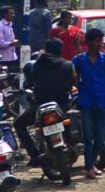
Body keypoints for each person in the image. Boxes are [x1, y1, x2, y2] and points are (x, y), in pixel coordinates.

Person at [27, 36, 76, 169]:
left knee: (18, 124)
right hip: (62, 106)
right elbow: (73, 83)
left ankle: (34, 154)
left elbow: (31, 81)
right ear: (60, 50)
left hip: (40, 106)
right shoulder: (68, 65)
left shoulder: (37, 65)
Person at [71, 27, 105, 178]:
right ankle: (89, 166)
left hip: (102, 103)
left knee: (101, 139)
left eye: (101, 41)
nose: (100, 44)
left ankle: (91, 162)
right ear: (89, 42)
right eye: (97, 41)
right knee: (88, 137)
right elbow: (73, 77)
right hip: (86, 103)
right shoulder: (79, 60)